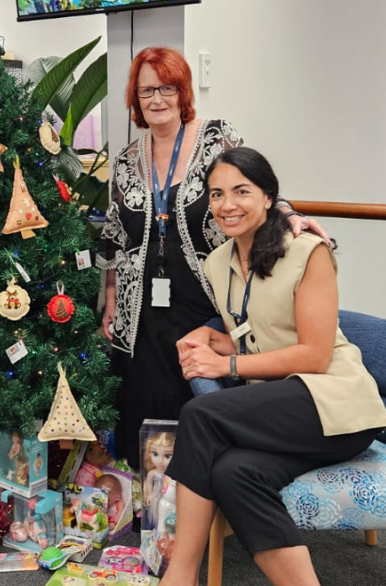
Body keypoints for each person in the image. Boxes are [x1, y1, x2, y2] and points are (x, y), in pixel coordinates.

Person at [162, 147, 386, 586]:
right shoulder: (218, 263)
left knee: (200, 415)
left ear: (269, 197)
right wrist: (216, 338)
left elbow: (314, 355)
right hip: (281, 408)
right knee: (234, 474)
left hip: (336, 405)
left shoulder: (308, 251)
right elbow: (264, 335)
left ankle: (181, 576)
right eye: (216, 195)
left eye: (241, 191)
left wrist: (226, 361)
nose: (227, 205)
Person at [98, 47, 328, 463]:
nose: (157, 99)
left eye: (167, 88)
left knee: (192, 388)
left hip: (206, 292)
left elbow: (252, 188)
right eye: (147, 89)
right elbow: (115, 233)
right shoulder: (127, 159)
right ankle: (149, 505)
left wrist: (289, 213)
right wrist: (111, 298)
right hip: (139, 303)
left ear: (183, 91)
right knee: (141, 392)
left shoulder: (217, 137)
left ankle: (196, 496)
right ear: (135, 97)